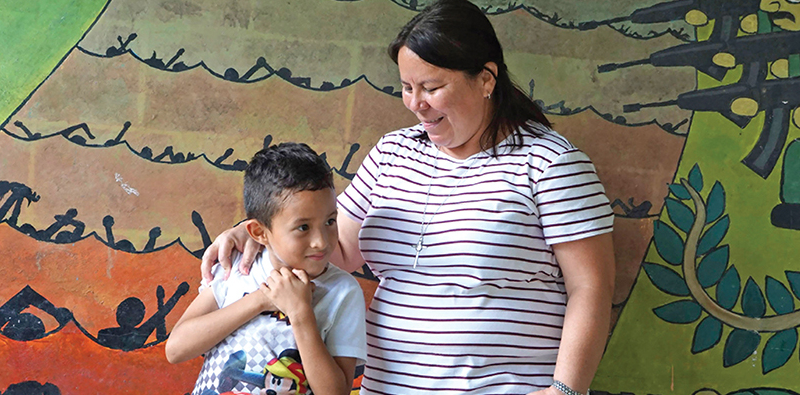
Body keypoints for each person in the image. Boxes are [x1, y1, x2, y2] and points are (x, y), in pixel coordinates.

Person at [201, 1, 615, 394]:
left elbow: (591, 286)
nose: (416, 104)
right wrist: (254, 231)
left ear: (486, 78)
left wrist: (566, 389)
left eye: (431, 88)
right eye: (406, 87)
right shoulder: (392, 153)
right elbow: (336, 248)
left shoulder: (550, 163)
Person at [167, 143, 367, 395]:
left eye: (330, 221)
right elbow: (176, 349)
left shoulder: (342, 292)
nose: (322, 241)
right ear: (259, 232)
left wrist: (300, 312)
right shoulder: (238, 268)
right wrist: (261, 300)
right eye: (303, 227)